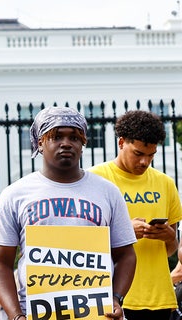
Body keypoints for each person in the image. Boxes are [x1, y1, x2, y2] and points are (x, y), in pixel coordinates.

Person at [0, 106, 137, 320]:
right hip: (36, 312)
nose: (66, 143)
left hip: (96, 314)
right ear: (40, 142)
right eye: (56, 137)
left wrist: (115, 298)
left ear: (83, 143)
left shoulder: (107, 192)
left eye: (74, 138)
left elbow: (126, 255)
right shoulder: (15, 194)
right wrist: (16, 315)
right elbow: (0, 262)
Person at [89, 110, 182, 320]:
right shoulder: (95, 179)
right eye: (138, 154)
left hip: (160, 298)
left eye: (151, 155)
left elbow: (170, 250)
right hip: (113, 297)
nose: (145, 162)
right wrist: (124, 232)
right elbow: (81, 244)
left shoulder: (165, 183)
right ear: (121, 142)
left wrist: (169, 236)